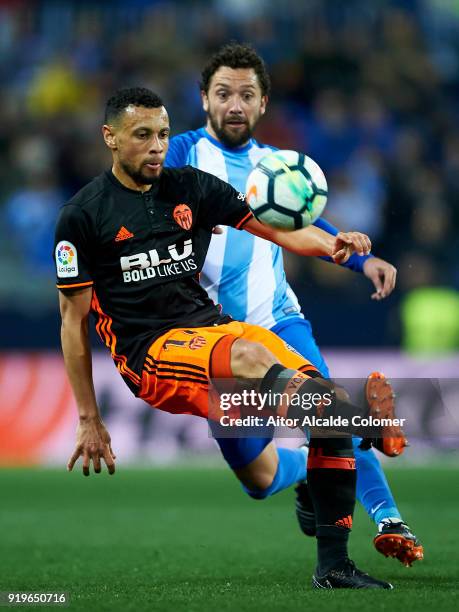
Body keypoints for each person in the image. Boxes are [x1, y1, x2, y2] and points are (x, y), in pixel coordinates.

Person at [55, 87, 397, 589]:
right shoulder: (83, 216)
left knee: (288, 445)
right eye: (142, 135)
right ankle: (359, 421)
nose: (156, 146)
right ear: (110, 138)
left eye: (163, 135)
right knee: (259, 359)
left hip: (211, 329)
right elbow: (72, 321)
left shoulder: (192, 186)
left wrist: (336, 245)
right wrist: (89, 418)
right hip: (150, 354)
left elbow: (276, 227)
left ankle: (334, 565)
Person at [165, 42, 423, 567]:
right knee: (257, 480)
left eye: (246, 95)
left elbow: (305, 221)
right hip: (213, 340)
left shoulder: (276, 166)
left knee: (327, 413)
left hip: (278, 320)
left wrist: (358, 260)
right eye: (223, 94)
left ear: (263, 104)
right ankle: (309, 468)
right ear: (203, 99)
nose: (234, 105)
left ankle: (391, 519)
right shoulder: (180, 155)